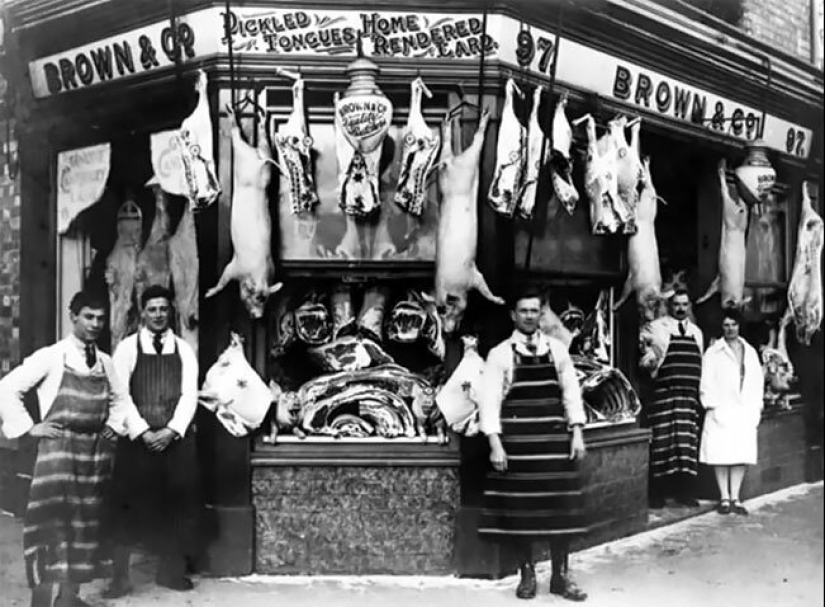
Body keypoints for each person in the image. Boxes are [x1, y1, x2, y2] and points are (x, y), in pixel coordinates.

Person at [0, 291, 145, 607]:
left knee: (85, 525)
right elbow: (6, 389)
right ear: (73, 318)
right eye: (89, 317)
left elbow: (121, 399)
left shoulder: (105, 361)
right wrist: (29, 428)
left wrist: (114, 425)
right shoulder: (52, 356)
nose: (95, 324)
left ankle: (68, 600)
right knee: (52, 527)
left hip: (95, 456)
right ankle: (41, 602)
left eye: (100, 318)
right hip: (59, 453)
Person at [478, 287, 588, 601]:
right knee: (521, 511)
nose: (529, 316)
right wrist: (495, 444)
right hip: (519, 444)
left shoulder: (558, 350)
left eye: (534, 310)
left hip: (553, 441)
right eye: (523, 311)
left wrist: (577, 433)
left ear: (541, 314)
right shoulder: (500, 354)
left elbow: (571, 394)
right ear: (513, 315)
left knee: (560, 512)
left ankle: (560, 576)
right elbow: (489, 403)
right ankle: (526, 574)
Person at [105, 285, 201, 596]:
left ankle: (170, 572)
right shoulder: (127, 348)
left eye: (163, 309)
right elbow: (120, 395)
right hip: (138, 441)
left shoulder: (185, 350)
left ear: (170, 310)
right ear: (142, 312)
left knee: (177, 504)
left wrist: (172, 430)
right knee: (126, 506)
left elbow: (190, 394)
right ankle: (119, 577)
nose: (158, 315)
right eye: (152, 309)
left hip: (174, 441)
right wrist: (144, 431)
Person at [699, 307, 764, 515]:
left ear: (739, 326)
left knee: (739, 454)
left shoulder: (750, 351)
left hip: (744, 409)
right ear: (721, 327)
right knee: (721, 454)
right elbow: (706, 381)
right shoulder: (713, 352)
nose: (730, 329)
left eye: (733, 324)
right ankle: (724, 497)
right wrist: (712, 405)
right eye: (726, 325)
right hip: (721, 408)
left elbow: (757, 381)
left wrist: (756, 407)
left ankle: (736, 497)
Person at [643, 288, 704, 508]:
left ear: (689, 306)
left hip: (688, 399)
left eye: (684, 304)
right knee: (662, 444)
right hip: (664, 396)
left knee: (686, 447)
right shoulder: (657, 327)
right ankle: (657, 493)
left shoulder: (697, 332)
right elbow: (647, 359)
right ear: (670, 306)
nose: (680, 308)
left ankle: (684, 493)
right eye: (676, 304)